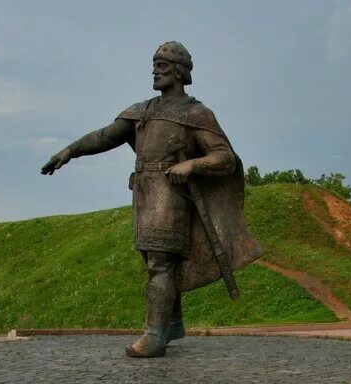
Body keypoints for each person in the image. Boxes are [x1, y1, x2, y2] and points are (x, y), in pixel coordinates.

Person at [41, 41, 262, 358]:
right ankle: (172, 323)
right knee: (154, 263)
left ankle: (155, 335)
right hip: (144, 192)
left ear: (180, 71)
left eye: (162, 65)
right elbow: (105, 136)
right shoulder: (142, 111)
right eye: (154, 65)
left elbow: (225, 157)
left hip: (171, 195)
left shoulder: (196, 114)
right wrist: (70, 151)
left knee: (160, 261)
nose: (155, 71)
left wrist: (192, 164)